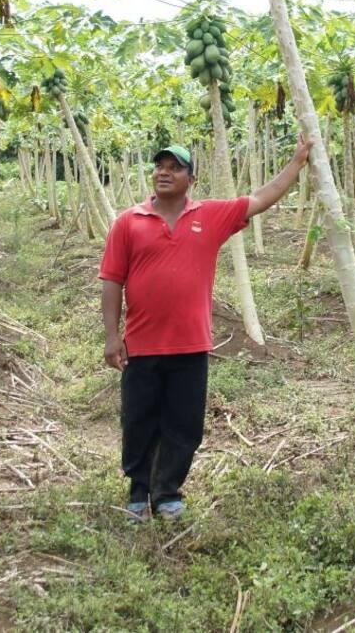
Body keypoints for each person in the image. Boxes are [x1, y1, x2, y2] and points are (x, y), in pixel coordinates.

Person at [99, 136, 312, 522]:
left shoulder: (210, 216)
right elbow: (112, 280)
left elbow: (261, 199)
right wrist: (112, 336)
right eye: (160, 166)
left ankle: (167, 494)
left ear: (191, 179)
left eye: (175, 167)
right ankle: (138, 492)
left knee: (183, 423)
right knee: (139, 419)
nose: (164, 172)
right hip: (142, 344)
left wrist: (296, 163)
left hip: (190, 345)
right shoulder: (128, 222)